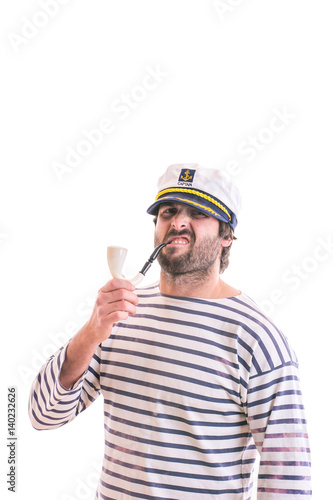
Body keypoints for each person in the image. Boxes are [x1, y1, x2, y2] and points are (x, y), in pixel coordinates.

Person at [29, 163, 312, 499]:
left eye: (197, 212)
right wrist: (91, 332)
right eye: (168, 211)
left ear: (226, 236)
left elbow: (288, 476)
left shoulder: (257, 338)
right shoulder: (120, 315)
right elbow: (42, 414)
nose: (178, 221)